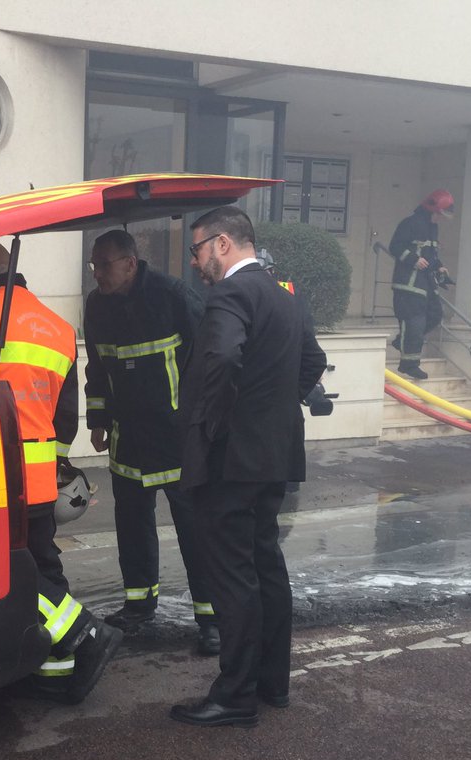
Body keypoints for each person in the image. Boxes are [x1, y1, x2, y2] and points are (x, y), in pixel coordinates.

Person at [170, 206, 327, 727]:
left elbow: (222, 358)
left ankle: (235, 696)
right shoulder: (285, 295)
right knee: (265, 567)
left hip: (231, 461)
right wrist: (271, 412)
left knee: (234, 576)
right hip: (272, 456)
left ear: (222, 243)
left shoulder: (231, 294)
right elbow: (311, 361)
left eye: (197, 250)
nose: (195, 263)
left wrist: (213, 425)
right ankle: (271, 684)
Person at [0, 240, 122, 704]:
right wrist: (57, 463)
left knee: (8, 572)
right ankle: (53, 669)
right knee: (44, 565)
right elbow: (65, 418)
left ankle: (86, 632)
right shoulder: (59, 327)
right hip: (41, 474)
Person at [83, 229, 219, 655]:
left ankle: (212, 617)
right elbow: (97, 367)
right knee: (133, 526)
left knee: (195, 530)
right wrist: (98, 420)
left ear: (130, 263)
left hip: (177, 439)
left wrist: (206, 423)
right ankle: (139, 605)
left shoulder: (172, 296)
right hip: (127, 439)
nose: (97, 274)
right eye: (94, 265)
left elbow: (209, 358)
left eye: (105, 265)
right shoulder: (96, 305)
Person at [389, 189, 455, 380]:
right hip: (408, 285)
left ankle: (403, 340)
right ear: (433, 210)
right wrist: (413, 259)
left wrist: (439, 266)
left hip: (425, 283)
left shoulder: (432, 227)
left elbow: (430, 254)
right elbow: (395, 247)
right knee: (415, 323)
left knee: (435, 315)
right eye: (440, 214)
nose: (441, 218)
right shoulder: (410, 224)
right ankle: (409, 365)